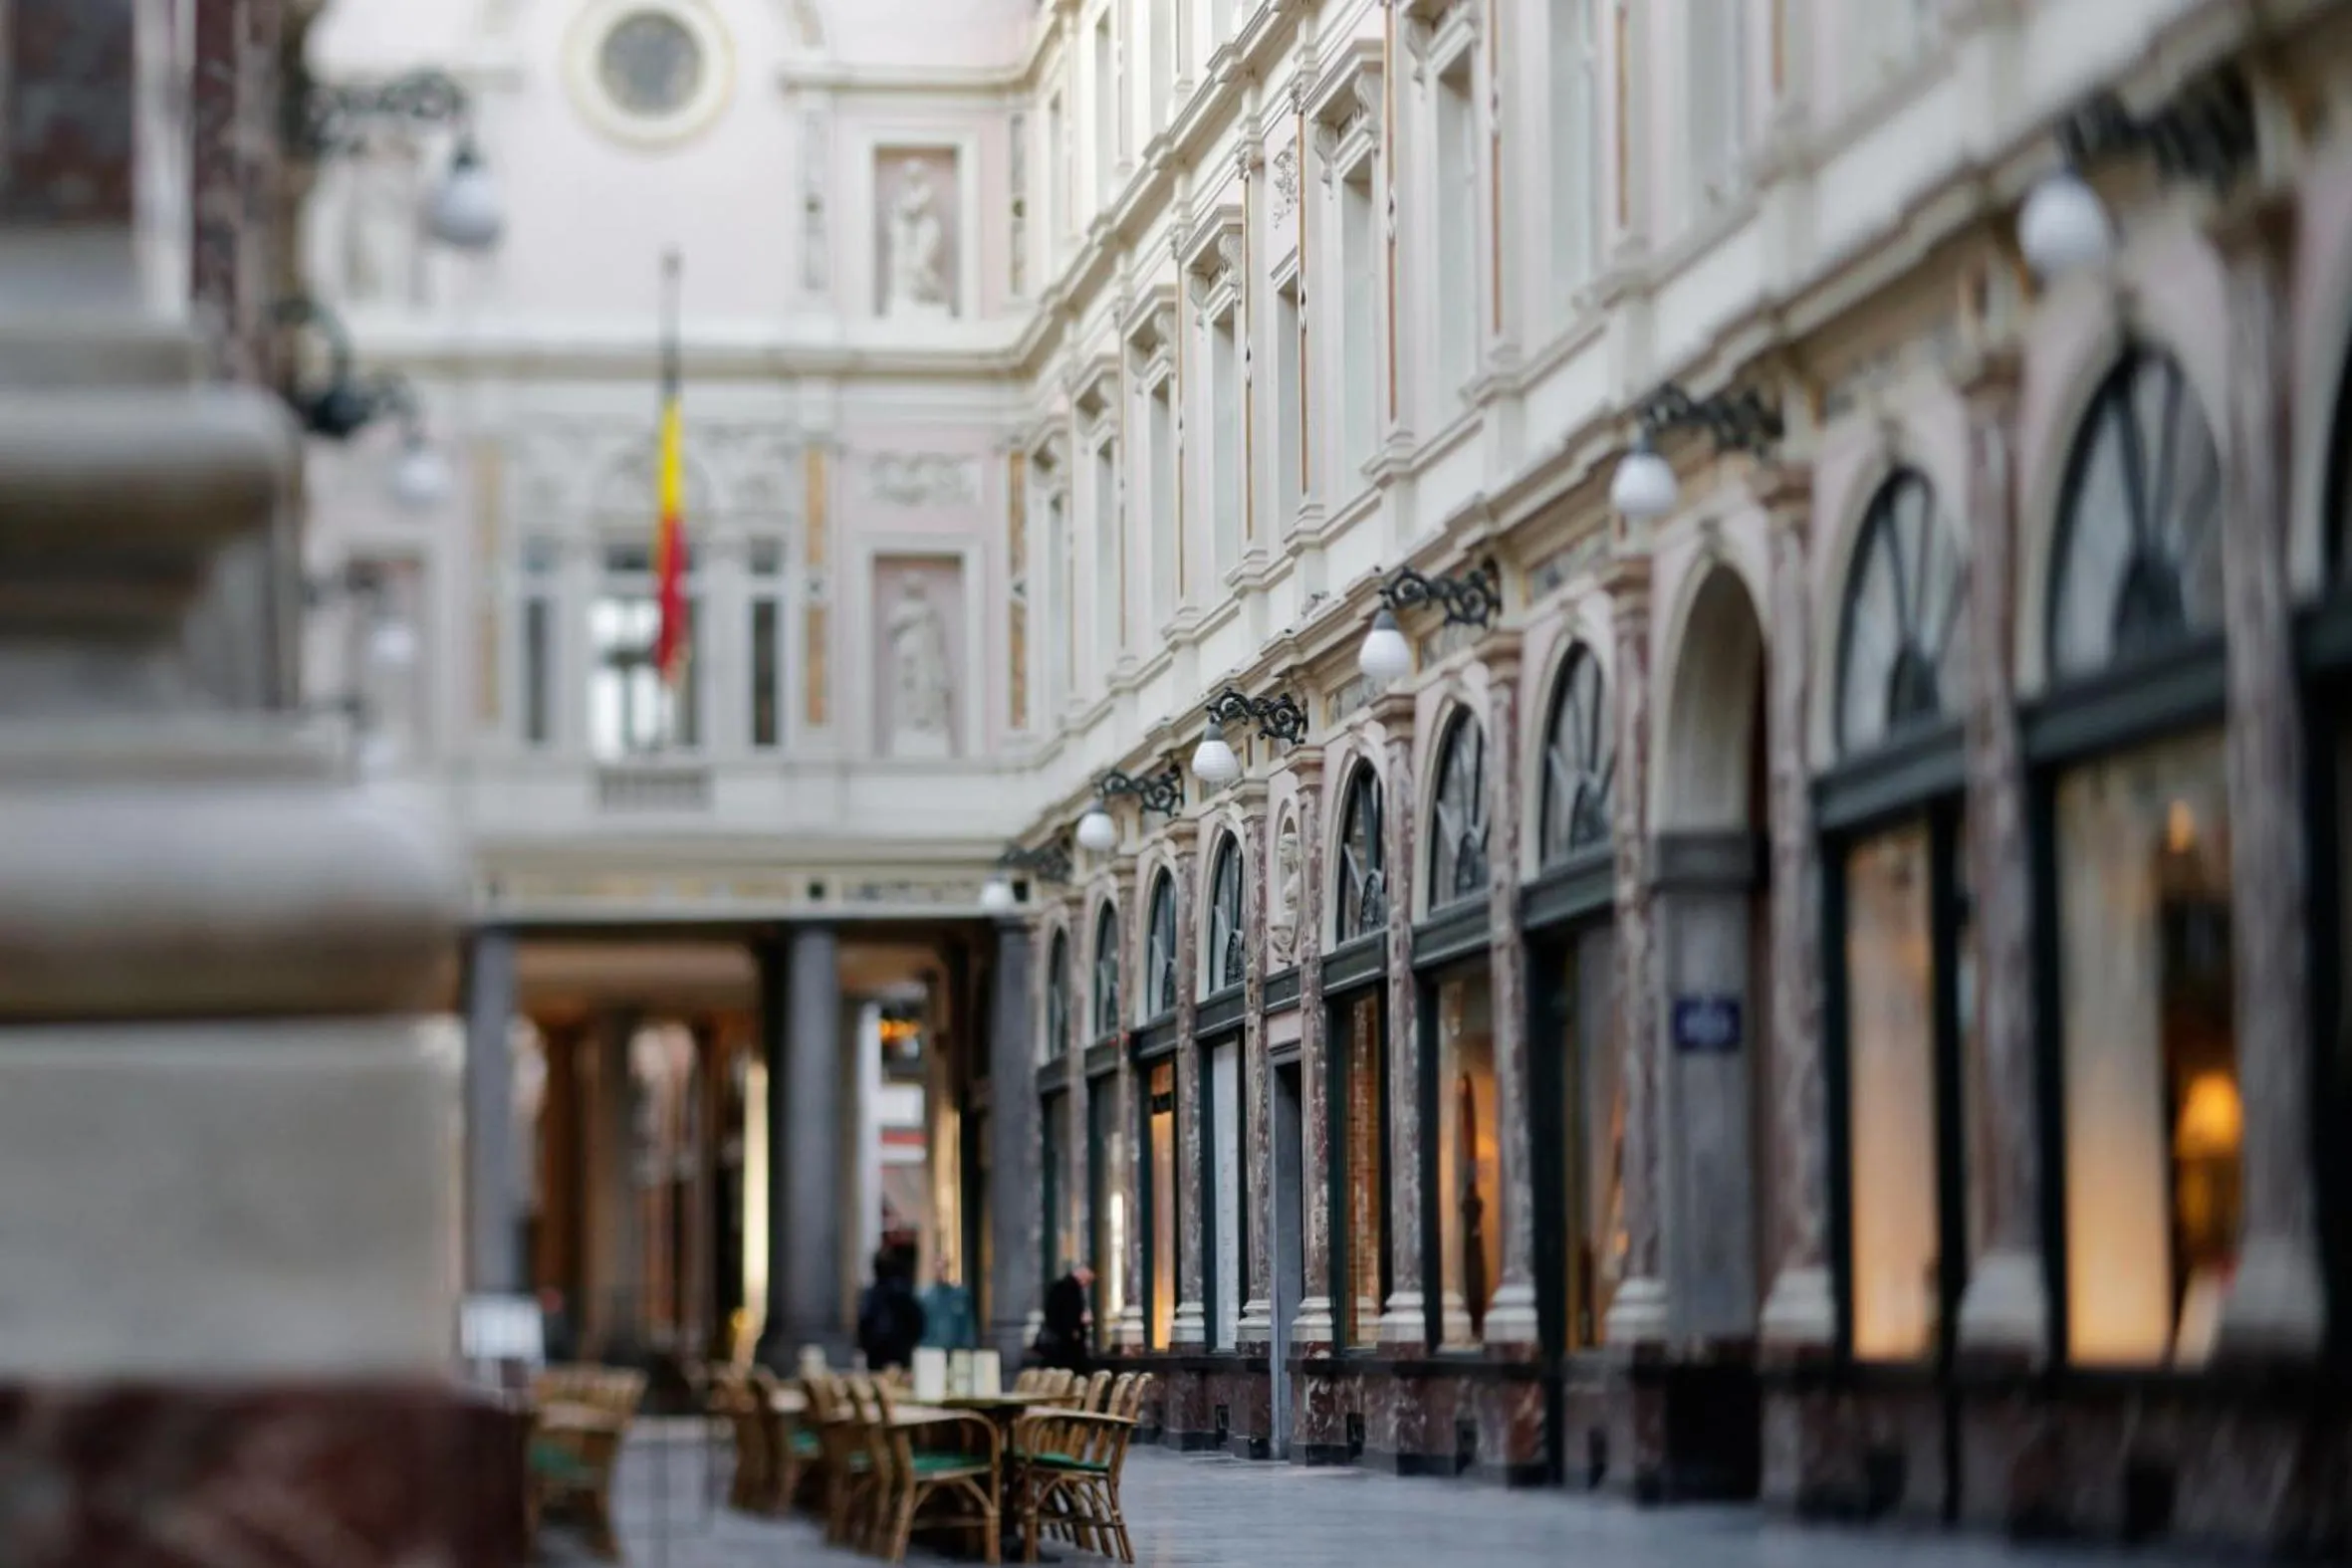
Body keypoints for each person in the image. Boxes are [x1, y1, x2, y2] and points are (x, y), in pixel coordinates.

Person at [856, 1247, 927, 1372]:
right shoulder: (900, 1291)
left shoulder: (875, 1294)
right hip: (891, 1351)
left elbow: (864, 1322)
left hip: (884, 1352)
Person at [1033, 1264, 1094, 1373]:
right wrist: (1082, 1322)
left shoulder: (1056, 1287)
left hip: (1054, 1345)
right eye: (1087, 1281)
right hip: (1067, 1347)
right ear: (1082, 1277)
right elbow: (1071, 1317)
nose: (1086, 1285)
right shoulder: (1071, 1291)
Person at [919, 1259, 977, 1351]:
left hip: (956, 1348)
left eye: (943, 1269)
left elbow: (967, 1324)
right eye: (937, 1269)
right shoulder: (925, 1297)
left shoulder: (960, 1295)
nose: (940, 1273)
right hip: (930, 1349)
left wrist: (969, 1346)